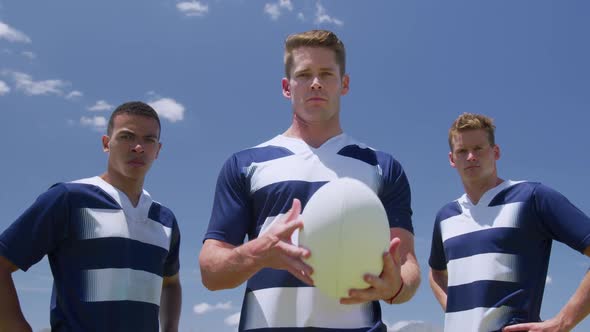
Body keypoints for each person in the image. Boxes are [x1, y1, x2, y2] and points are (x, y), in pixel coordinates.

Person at [199, 29, 420, 331]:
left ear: (344, 84)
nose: (315, 83)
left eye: (327, 74)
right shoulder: (245, 164)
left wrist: (395, 288)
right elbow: (211, 273)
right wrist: (259, 252)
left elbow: (407, 265)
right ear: (286, 87)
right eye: (304, 74)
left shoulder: (382, 167)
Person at [0, 101, 182, 332]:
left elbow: (171, 283)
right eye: (127, 136)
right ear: (107, 144)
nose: (138, 147)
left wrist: (170, 329)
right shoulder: (68, 199)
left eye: (149, 139)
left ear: (158, 150)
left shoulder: (165, 220)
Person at [429, 112, 590, 332]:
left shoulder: (532, 197)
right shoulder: (446, 217)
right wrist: (456, 311)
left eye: (478, 149)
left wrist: (563, 322)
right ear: (451, 159)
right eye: (462, 151)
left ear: (495, 152)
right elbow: (436, 273)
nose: (470, 157)